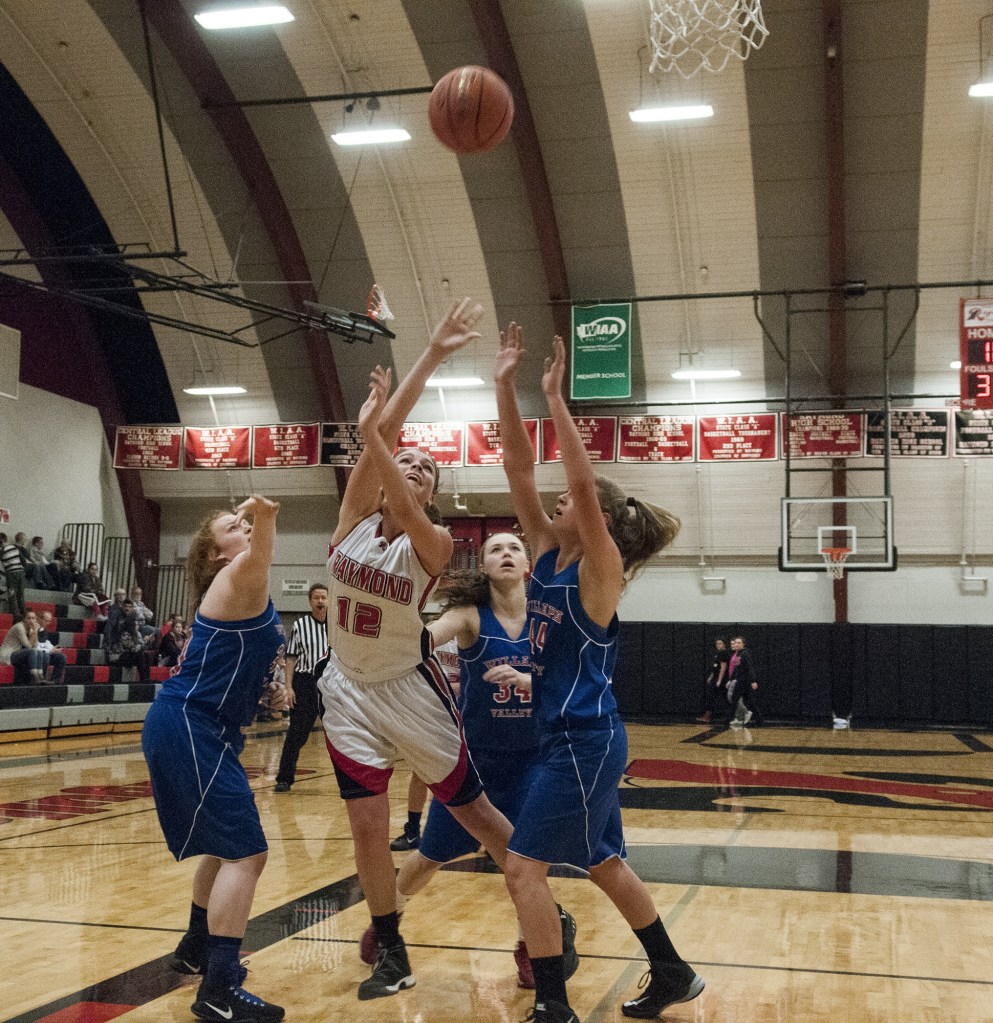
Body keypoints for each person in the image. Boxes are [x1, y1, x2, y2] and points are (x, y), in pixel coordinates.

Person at [317, 300, 547, 1002]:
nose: (413, 467)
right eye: (406, 461)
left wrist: (377, 435)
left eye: (425, 469)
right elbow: (378, 440)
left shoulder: (435, 544)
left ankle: (540, 909)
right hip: (345, 688)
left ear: (432, 497)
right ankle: (391, 946)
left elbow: (379, 444)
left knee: (475, 816)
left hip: (405, 689)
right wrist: (434, 354)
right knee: (367, 829)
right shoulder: (353, 518)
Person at [494, 323, 703, 1023]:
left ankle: (553, 1004)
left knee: (524, 867)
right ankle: (671, 970)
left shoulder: (598, 569)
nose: (553, 504)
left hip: (581, 742)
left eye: (568, 505)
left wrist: (555, 397)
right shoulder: (548, 556)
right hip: (570, 741)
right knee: (606, 863)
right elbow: (520, 472)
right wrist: (504, 384)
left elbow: (580, 483)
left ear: (598, 520)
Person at [360, 531, 545, 990]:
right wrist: (391, 624)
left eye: (514, 548)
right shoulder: (468, 615)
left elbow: (573, 683)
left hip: (534, 762)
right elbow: (420, 643)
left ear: (528, 565)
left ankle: (530, 946)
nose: (505, 553)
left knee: (524, 866)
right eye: (495, 549)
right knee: (428, 858)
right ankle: (389, 921)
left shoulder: (548, 620)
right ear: (482, 566)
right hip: (475, 764)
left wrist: (527, 681)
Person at [142, 495, 287, 1023]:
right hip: (190, 725)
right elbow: (261, 556)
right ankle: (218, 990)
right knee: (247, 853)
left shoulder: (241, 589)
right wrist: (267, 517)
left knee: (223, 847)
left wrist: (266, 693)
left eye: (246, 522)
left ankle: (196, 949)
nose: (245, 526)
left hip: (201, 727)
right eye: (235, 525)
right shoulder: (237, 577)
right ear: (215, 556)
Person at [274, 583, 329, 792]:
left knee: (340, 735)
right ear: (310, 601)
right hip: (305, 682)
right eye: (316, 598)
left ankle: (348, 781)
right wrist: (288, 687)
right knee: (297, 733)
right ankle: (284, 778)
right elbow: (291, 658)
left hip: (331, 684)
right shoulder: (300, 625)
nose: (320, 601)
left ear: (329, 600)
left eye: (323, 597)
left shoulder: (337, 626)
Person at [0, 609, 47, 682]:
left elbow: (35, 646)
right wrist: (34, 631)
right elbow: (28, 646)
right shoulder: (19, 627)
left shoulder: (30, 628)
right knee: (32, 651)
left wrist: (35, 632)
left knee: (40, 652)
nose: (31, 621)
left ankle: (41, 676)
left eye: (33, 618)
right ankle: (35, 676)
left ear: (36, 619)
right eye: (28, 618)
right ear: (24, 619)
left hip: (19, 652)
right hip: (7, 655)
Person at [727, 635, 762, 727]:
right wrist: (731, 679)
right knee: (734, 700)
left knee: (751, 702)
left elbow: (750, 667)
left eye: (739, 643)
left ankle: (759, 721)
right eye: (736, 643)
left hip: (746, 682)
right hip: (740, 681)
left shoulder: (745, 653)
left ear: (743, 644)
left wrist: (753, 681)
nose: (737, 644)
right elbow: (736, 669)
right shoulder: (738, 654)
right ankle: (729, 720)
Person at [697, 638, 729, 724]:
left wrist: (719, 680)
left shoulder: (724, 653)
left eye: (720, 643)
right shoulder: (718, 654)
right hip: (715, 678)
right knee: (713, 697)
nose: (718, 645)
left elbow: (723, 667)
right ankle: (707, 716)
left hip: (721, 679)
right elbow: (716, 667)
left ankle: (707, 717)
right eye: (717, 644)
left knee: (716, 697)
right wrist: (711, 676)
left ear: (724, 644)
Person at [37, 610, 67, 685]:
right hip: (36, 654)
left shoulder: (43, 630)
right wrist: (51, 651)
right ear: (40, 619)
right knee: (45, 655)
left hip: (44, 652)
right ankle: (41, 679)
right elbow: (34, 646)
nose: (48, 623)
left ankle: (55, 680)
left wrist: (54, 648)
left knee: (61, 657)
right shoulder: (33, 629)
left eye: (49, 621)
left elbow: (45, 642)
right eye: (46, 621)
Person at [1, 532, 27, 619]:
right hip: (20, 572)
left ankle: (16, 614)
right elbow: (23, 561)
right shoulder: (14, 547)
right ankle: (24, 612)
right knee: (21, 594)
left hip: (11, 573)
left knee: (12, 594)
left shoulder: (1, 550)